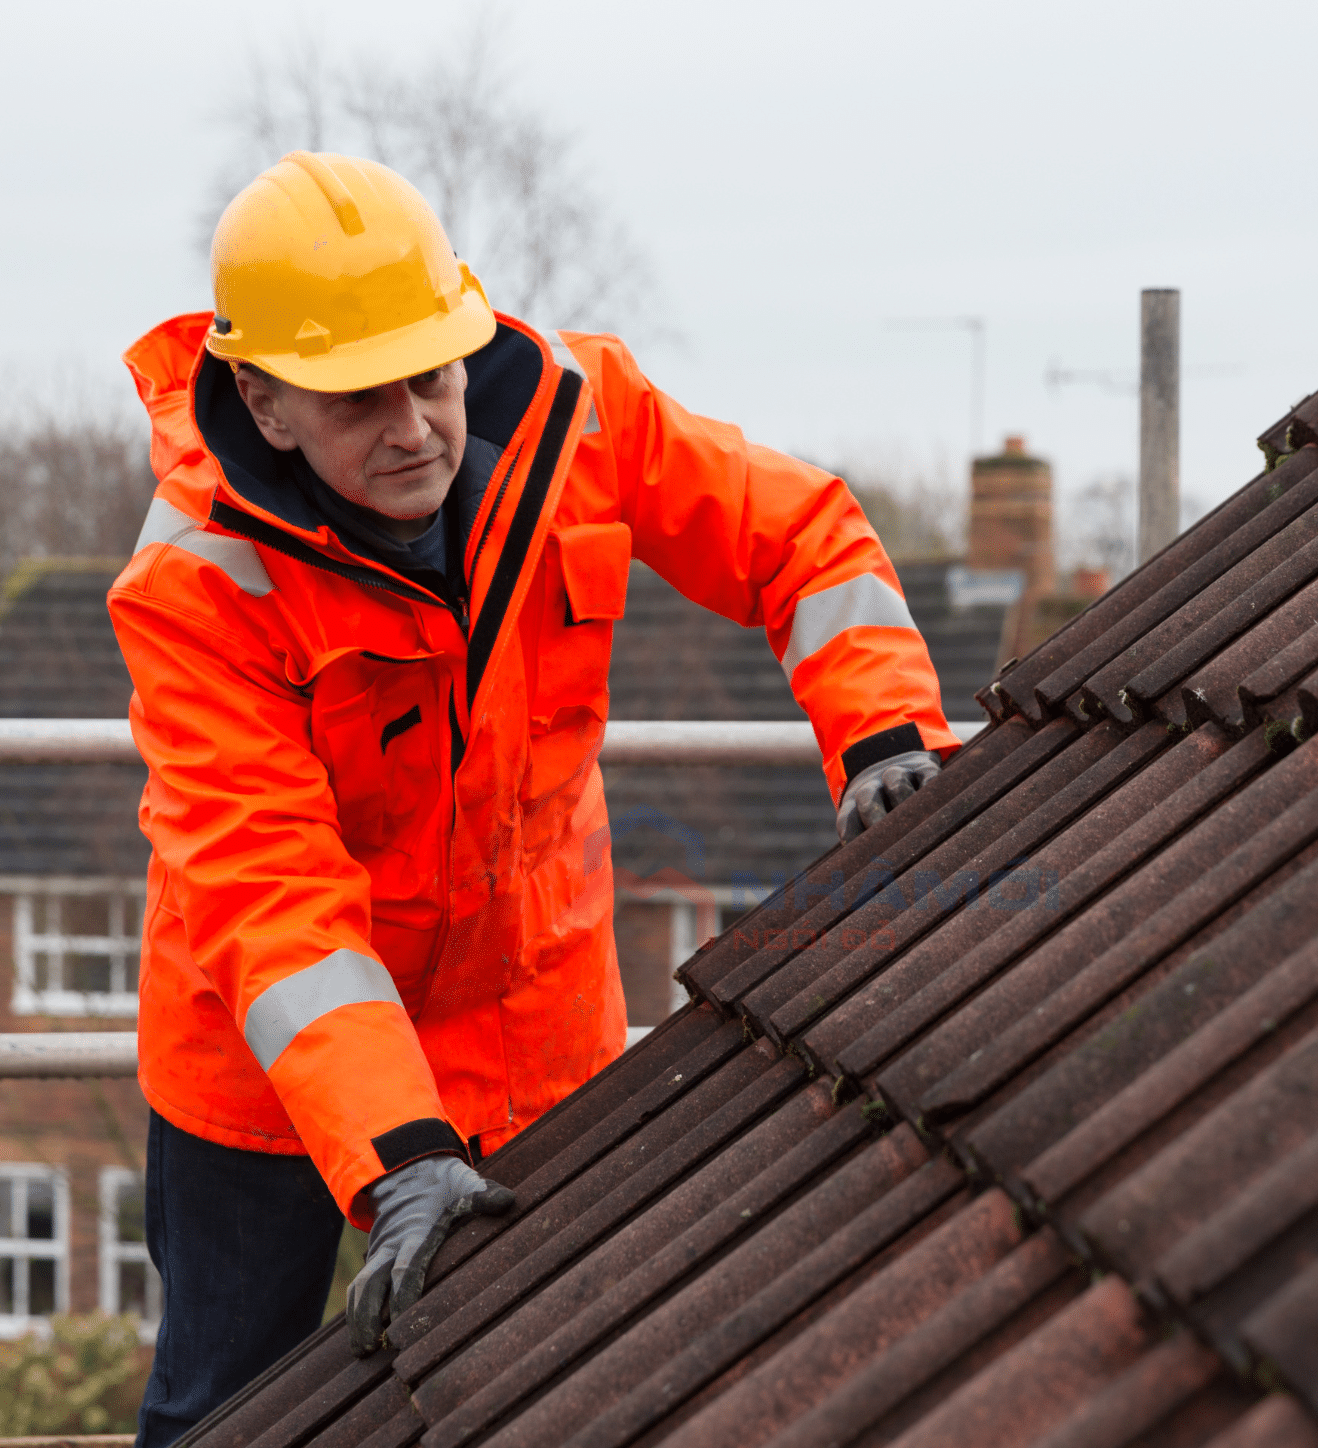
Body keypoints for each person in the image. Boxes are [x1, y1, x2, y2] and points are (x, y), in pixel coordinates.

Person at [110, 151, 958, 1447]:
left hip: (530, 1029)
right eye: (358, 400)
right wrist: (398, 1153)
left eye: (431, 376)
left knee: (542, 1387)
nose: (413, 428)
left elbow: (798, 537)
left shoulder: (581, 417)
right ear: (265, 405)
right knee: (226, 1410)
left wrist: (884, 730)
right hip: (271, 1075)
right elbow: (271, 895)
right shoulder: (199, 586)